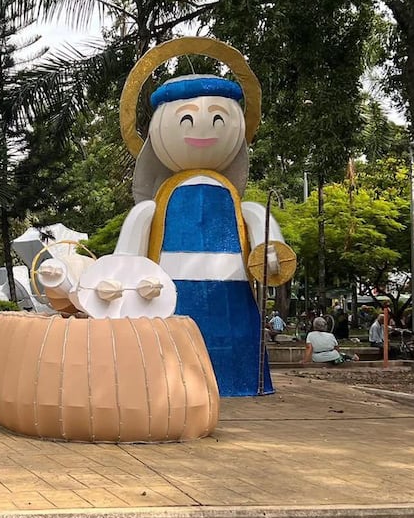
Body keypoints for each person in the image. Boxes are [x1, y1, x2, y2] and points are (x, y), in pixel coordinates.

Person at [114, 65, 288, 397]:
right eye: (186, 119)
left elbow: (270, 248)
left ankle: (240, 382)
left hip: (234, 301)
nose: (203, 128)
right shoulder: (155, 206)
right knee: (169, 359)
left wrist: (270, 254)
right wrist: (121, 282)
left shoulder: (244, 207)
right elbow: (125, 258)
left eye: (219, 119)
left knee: (233, 342)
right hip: (167, 299)